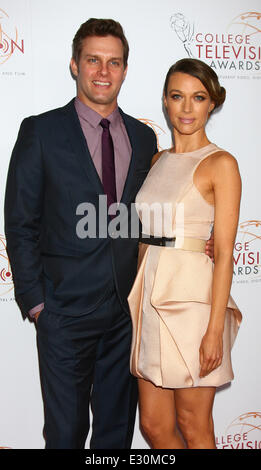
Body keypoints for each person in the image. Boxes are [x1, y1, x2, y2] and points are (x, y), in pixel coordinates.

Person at [4, 19, 213, 449]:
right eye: (93, 60)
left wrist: (193, 242)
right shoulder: (40, 131)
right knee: (65, 435)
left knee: (115, 437)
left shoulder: (143, 137)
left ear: (125, 69)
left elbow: (153, 212)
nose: (103, 72)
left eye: (113, 62)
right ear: (75, 65)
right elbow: (20, 223)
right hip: (63, 314)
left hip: (127, 316)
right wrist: (38, 304)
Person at [128, 58, 242, 449]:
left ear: (212, 104)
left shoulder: (221, 163)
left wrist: (214, 331)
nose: (187, 108)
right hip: (150, 302)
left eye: (199, 98)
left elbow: (224, 252)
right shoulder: (158, 160)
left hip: (193, 308)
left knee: (194, 425)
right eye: (178, 97)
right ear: (165, 101)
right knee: (155, 426)